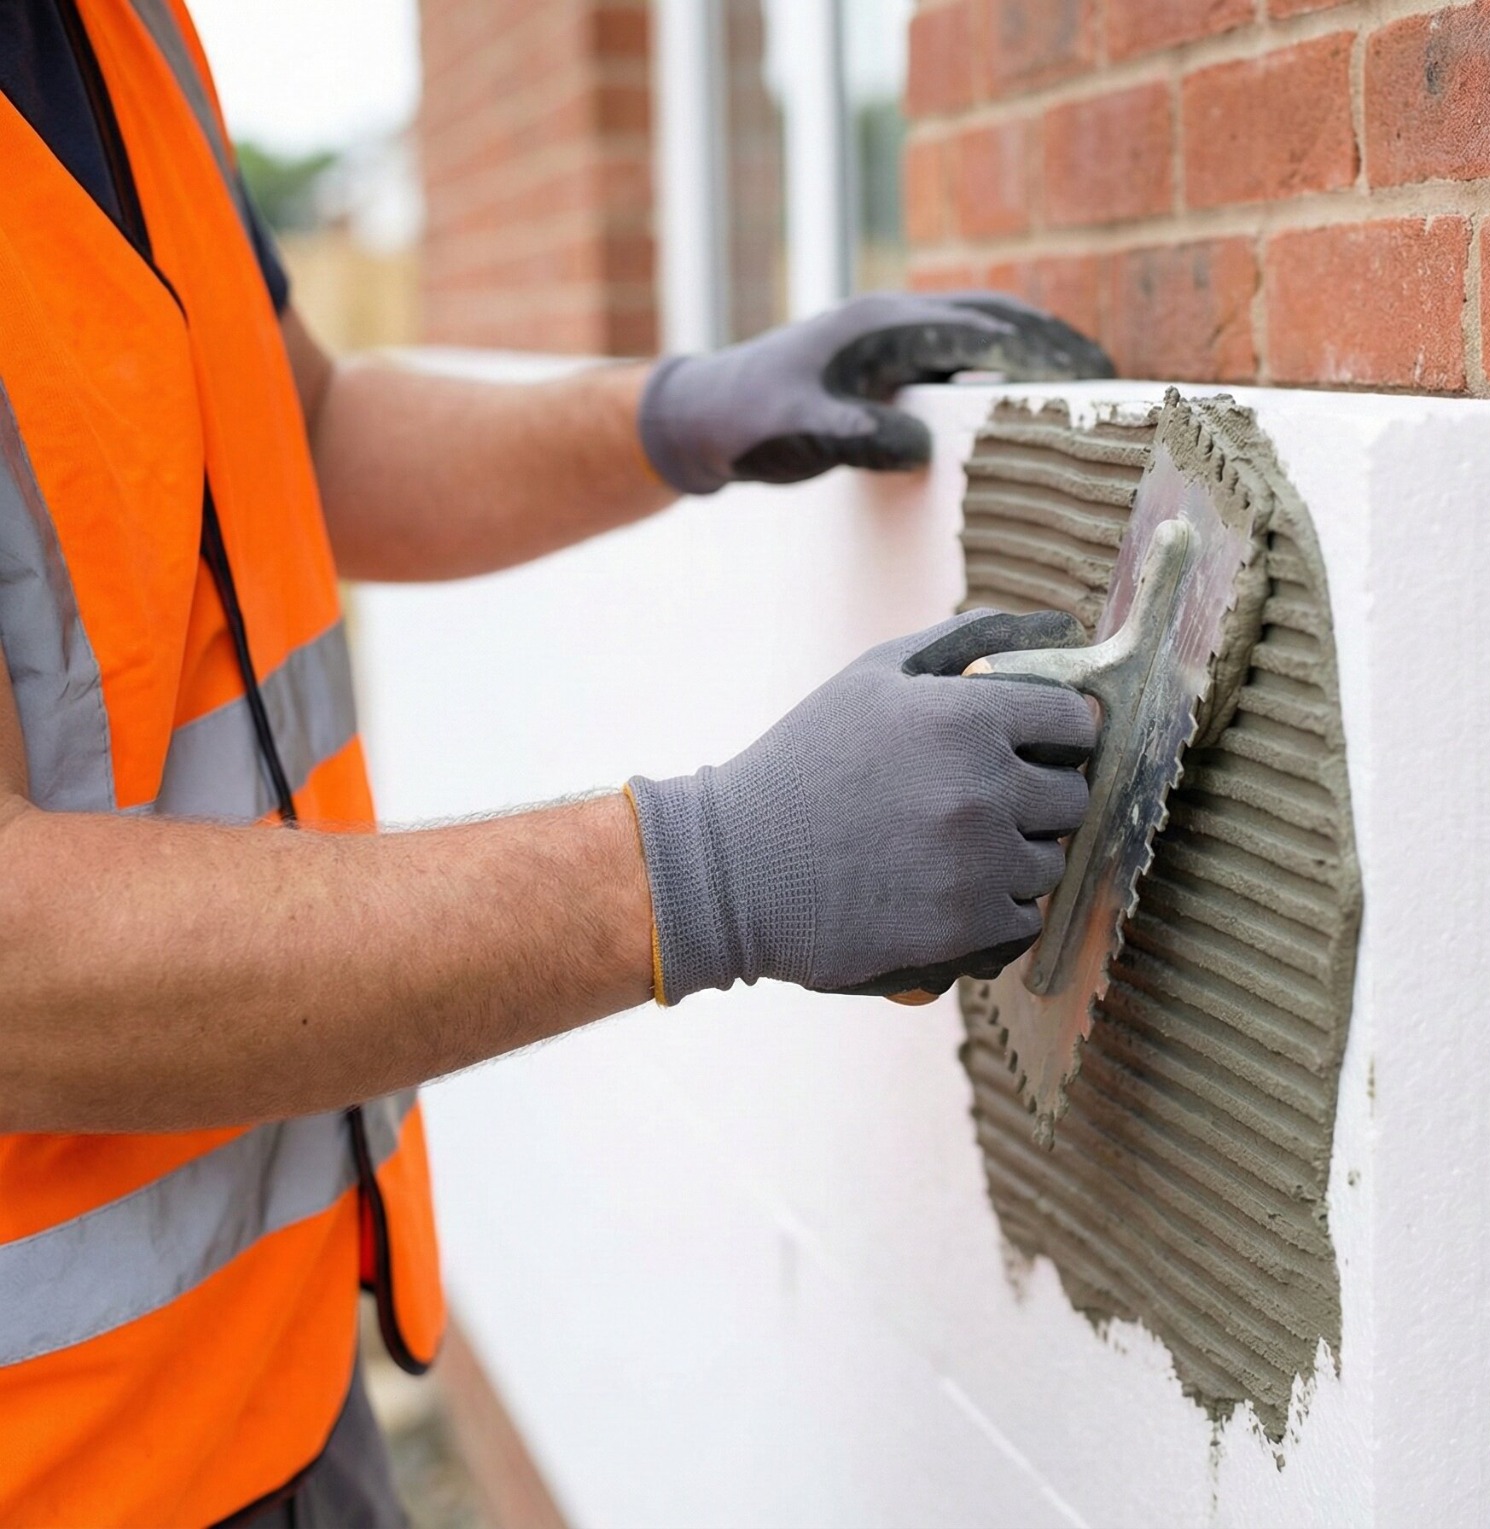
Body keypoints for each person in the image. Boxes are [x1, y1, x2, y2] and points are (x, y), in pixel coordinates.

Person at [0, 2, 1112, 1523]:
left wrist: (674, 418)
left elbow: (298, 423)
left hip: (270, 1388)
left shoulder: (116, 35)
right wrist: (712, 872)